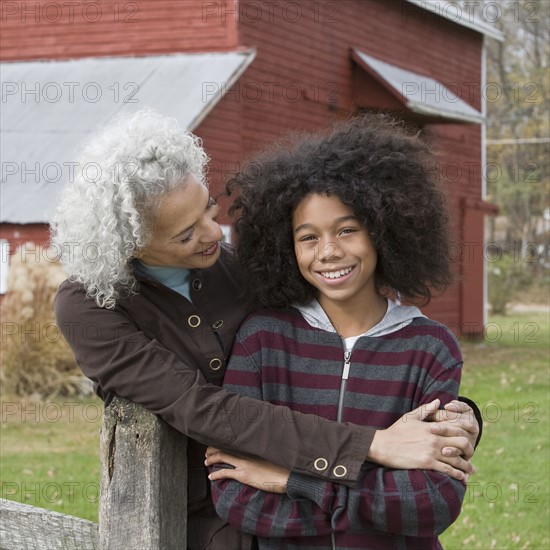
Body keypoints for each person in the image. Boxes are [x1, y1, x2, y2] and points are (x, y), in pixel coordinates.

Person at [51, 109, 479, 550]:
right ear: (133, 245)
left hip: (286, 501)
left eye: (208, 210)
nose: (213, 232)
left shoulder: (238, 267)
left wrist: (452, 416)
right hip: (196, 517)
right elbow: (202, 407)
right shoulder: (89, 306)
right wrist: (371, 445)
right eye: (184, 235)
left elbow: (345, 338)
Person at [206, 114, 472, 549]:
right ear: (285, 245)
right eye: (307, 237)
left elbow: (432, 503)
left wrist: (293, 481)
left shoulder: (430, 347)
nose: (328, 252)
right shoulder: (262, 340)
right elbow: (238, 496)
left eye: (347, 230)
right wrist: (371, 497)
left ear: (383, 231)